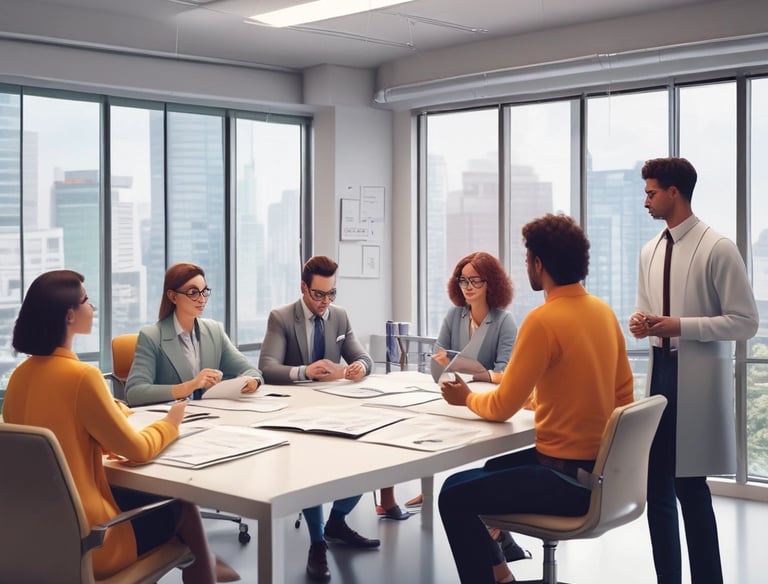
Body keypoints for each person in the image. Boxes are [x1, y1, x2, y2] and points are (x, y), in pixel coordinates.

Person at [1, 269, 239, 583]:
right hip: (93, 540)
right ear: (69, 315)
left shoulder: (19, 377)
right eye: (86, 301)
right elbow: (138, 450)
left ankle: (206, 561)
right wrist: (170, 424)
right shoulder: (82, 377)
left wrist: (115, 409)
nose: (93, 308)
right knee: (184, 507)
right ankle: (204, 564)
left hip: (35, 539)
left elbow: (68, 422)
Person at [439, 214, 634, 583]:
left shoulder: (543, 320)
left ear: (539, 264)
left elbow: (500, 407)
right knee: (478, 476)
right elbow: (622, 397)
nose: (526, 264)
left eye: (528, 257)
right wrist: (543, 402)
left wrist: (465, 397)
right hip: (600, 473)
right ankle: (500, 574)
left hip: (563, 480)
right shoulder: (604, 314)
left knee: (451, 497)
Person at [629, 157, 758, 584]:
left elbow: (745, 322)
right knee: (657, 489)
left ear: (674, 193)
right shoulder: (649, 250)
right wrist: (641, 322)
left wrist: (681, 326)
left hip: (695, 379)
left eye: (651, 192)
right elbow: (647, 311)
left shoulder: (718, 247)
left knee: (691, 488)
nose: (645, 201)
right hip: (659, 375)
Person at [258, 255, 380, 582]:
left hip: (338, 408)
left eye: (331, 294)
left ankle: (336, 522)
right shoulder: (281, 317)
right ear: (303, 288)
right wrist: (304, 372)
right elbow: (267, 368)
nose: (325, 302)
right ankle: (316, 543)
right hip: (294, 412)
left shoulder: (339, 316)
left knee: (369, 461)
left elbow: (364, 356)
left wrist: (360, 368)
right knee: (309, 473)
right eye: (318, 295)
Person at [405, 251, 528, 563]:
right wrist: (463, 367)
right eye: (463, 280)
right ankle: (498, 536)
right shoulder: (454, 314)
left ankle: (498, 532)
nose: (468, 286)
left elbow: (504, 372)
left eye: (475, 280)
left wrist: (466, 367)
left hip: (484, 403)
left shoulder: (504, 320)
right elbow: (437, 361)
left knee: (482, 469)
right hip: (452, 396)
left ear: (491, 283)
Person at [125, 262, 263, 407]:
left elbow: (251, 371)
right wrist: (188, 387)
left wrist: (253, 381)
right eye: (193, 293)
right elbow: (134, 392)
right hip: (173, 420)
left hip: (213, 415)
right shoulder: (152, 336)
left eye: (204, 292)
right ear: (173, 296)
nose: (202, 299)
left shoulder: (214, 331)